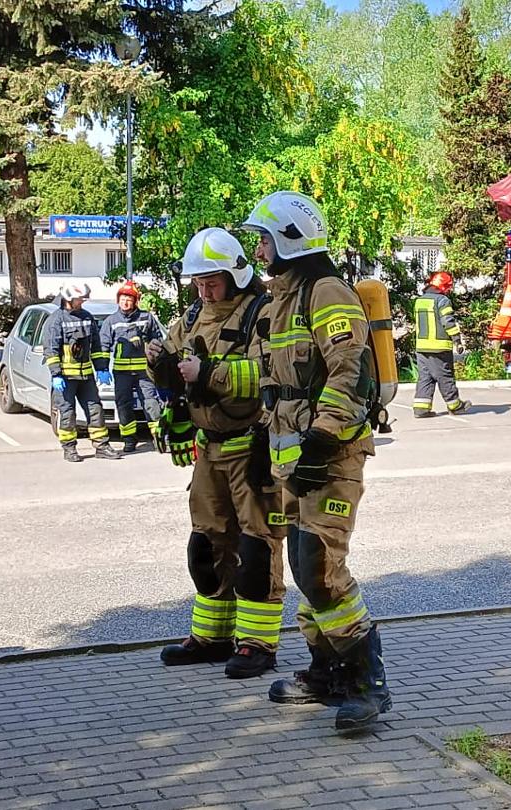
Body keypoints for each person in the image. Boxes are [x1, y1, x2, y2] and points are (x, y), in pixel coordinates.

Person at [240, 190, 389, 734]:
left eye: (263, 239)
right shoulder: (282, 300)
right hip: (294, 462)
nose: (258, 250)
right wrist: (264, 444)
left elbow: (349, 375)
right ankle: (326, 670)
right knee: (306, 567)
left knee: (320, 568)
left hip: (332, 456)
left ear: (288, 239)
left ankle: (367, 680)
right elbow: (279, 385)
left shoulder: (327, 292)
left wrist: (321, 444)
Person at [147, 228, 286, 679]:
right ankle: (211, 637)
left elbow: (269, 373)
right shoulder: (192, 315)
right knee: (206, 546)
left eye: (213, 282)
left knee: (255, 547)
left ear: (235, 275)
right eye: (199, 283)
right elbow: (174, 359)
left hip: (251, 448)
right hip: (207, 449)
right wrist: (158, 362)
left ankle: (257, 644)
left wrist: (208, 372)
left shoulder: (260, 312)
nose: (205, 291)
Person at [44, 283, 119, 462]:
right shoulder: (56, 321)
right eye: (79, 299)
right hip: (65, 379)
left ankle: (101, 446)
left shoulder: (87, 317)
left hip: (86, 377)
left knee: (95, 410)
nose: (82, 302)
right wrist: (56, 374)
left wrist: (101, 368)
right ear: (68, 299)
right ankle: (69, 449)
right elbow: (51, 350)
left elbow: (96, 345)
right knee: (68, 414)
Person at [102, 280, 164, 454]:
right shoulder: (111, 321)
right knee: (123, 405)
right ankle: (129, 440)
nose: (125, 302)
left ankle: (158, 438)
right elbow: (104, 347)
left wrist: (156, 360)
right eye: (122, 298)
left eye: (129, 298)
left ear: (136, 300)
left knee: (151, 404)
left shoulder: (147, 318)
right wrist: (103, 369)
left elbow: (158, 341)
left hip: (144, 372)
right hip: (122, 373)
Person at [411, 271, 467, 417]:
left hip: (422, 347)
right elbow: (448, 322)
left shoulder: (419, 300)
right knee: (445, 376)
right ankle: (455, 405)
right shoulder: (442, 301)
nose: (449, 290)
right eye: (448, 287)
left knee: (425, 377)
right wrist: (457, 340)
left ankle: (421, 408)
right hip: (439, 347)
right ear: (444, 286)